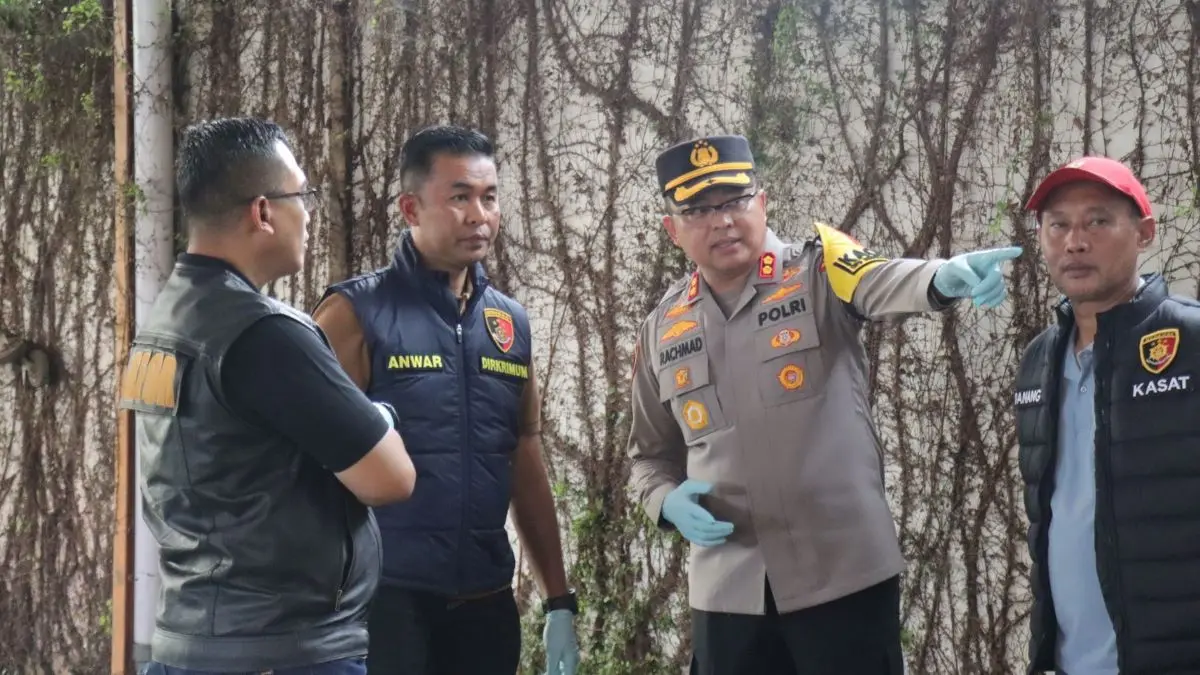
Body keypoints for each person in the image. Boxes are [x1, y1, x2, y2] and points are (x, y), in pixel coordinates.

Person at [626, 134, 1021, 675]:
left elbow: (882, 280)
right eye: (697, 209)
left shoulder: (818, 270)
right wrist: (665, 503)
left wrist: (941, 277)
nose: (721, 221)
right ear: (673, 229)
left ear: (762, 204)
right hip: (728, 595)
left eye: (734, 202)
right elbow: (647, 457)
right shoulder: (662, 328)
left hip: (843, 578)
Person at [118, 117, 418, 675]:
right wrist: (379, 414)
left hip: (190, 643)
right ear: (262, 211)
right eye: (301, 195)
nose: (307, 214)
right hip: (281, 652)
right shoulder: (264, 334)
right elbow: (391, 478)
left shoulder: (166, 318)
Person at [312, 124, 581, 675]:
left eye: (489, 197)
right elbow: (302, 463)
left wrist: (558, 598)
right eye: (459, 197)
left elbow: (523, 453)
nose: (479, 215)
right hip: (385, 605)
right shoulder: (354, 314)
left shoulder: (510, 324)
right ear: (411, 208)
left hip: (485, 604)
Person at [1014, 156, 1200, 674]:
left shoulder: (1189, 342)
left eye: (1097, 221)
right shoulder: (1038, 361)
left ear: (1144, 233)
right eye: (1058, 225)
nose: (1075, 241)